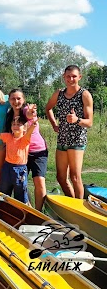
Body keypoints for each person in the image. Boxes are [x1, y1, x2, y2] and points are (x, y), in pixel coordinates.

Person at [45, 65, 93, 199]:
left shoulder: (84, 94)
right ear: (64, 77)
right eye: (68, 76)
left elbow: (89, 122)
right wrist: (54, 124)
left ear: (79, 77)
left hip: (77, 140)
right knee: (61, 177)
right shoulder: (58, 94)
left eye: (74, 76)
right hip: (62, 139)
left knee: (75, 177)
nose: (71, 79)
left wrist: (77, 120)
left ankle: (79, 209)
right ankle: (73, 203)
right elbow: (48, 108)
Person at [6, 89, 48, 210]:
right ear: (9, 100)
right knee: (19, 184)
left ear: (23, 100)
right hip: (20, 154)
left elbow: (30, 114)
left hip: (37, 151)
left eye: (19, 98)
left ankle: (39, 212)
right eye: (13, 99)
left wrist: (31, 112)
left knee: (39, 182)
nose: (16, 101)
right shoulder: (9, 116)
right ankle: (27, 208)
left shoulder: (25, 111)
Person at [0, 115, 38, 204]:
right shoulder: (8, 136)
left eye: (18, 124)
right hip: (7, 167)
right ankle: (2, 207)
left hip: (20, 170)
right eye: (13, 124)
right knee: (3, 190)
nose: (15, 126)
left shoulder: (25, 139)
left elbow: (29, 133)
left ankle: (23, 209)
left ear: (24, 128)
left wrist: (32, 127)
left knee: (20, 192)